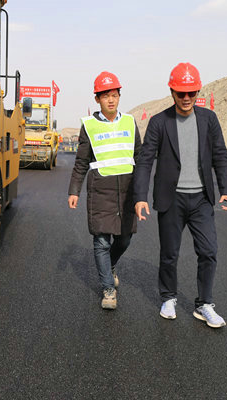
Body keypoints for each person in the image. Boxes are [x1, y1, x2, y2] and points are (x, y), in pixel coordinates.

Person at [132, 62, 227, 328]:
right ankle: (168, 297)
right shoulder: (159, 122)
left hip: (201, 199)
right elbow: (145, 161)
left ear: (198, 91)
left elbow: (220, 155)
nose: (187, 98)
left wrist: (226, 190)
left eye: (191, 92)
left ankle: (204, 304)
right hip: (171, 199)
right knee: (169, 253)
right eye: (181, 93)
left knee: (209, 251)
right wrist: (140, 197)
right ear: (172, 92)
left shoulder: (209, 119)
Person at [68, 71, 142, 310]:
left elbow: (140, 157)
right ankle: (108, 289)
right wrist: (74, 190)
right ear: (97, 99)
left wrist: (142, 192)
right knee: (101, 241)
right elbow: (81, 162)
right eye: (105, 96)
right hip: (100, 191)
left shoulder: (130, 122)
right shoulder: (89, 126)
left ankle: (110, 265)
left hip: (127, 191)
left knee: (125, 238)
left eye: (114, 95)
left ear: (119, 96)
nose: (111, 100)